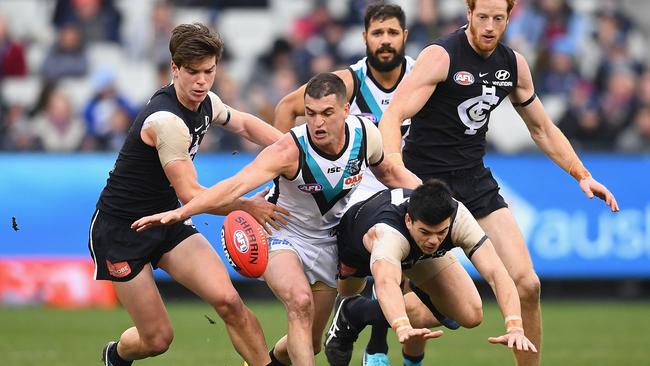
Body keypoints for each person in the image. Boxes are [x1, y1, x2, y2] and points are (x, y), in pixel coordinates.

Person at [377, 1, 620, 365]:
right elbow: (394, 115)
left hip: (474, 182)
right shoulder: (441, 56)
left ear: (510, 16)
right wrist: (397, 170)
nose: (490, 26)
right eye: (482, 17)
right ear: (469, 13)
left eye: (499, 18)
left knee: (528, 284)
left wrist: (582, 175)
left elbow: (542, 129)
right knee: (418, 301)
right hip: (424, 185)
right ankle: (395, 343)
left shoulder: (514, 65)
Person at [131, 72, 423, 366]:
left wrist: (433, 199)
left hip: (328, 241)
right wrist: (182, 212)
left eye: (326, 113)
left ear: (346, 110)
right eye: (310, 114)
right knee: (300, 303)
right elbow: (234, 185)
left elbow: (390, 174)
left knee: (311, 343)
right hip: (281, 233)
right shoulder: (288, 150)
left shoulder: (365, 136)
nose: (317, 123)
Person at [88, 23, 287, 366]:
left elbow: (244, 124)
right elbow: (191, 194)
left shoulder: (206, 101)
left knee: (229, 302)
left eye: (208, 71)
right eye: (192, 72)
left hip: (167, 221)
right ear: (175, 69)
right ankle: (115, 356)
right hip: (122, 231)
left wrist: (290, 146)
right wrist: (246, 206)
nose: (201, 81)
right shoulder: (167, 122)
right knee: (157, 339)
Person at [275, 7, 415, 362]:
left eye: (392, 33)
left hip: (396, 184)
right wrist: (285, 161)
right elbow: (287, 107)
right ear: (364, 37)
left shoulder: (421, 77)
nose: (385, 40)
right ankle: (376, 348)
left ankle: (368, 337)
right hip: (353, 196)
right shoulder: (347, 83)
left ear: (405, 36)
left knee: (416, 293)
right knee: (387, 270)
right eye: (377, 33)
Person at [324, 179, 537, 366]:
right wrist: (402, 326)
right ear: (409, 220)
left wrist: (515, 326)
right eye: (426, 231)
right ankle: (351, 311)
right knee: (344, 298)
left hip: (414, 252)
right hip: (355, 250)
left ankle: (370, 308)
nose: (434, 240)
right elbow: (387, 283)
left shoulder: (458, 216)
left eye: (441, 233)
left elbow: (496, 273)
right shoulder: (388, 234)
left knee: (470, 314)